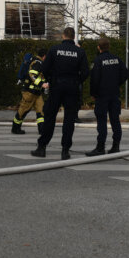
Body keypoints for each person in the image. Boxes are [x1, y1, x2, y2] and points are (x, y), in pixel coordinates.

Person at [31, 27, 88, 160]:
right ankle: (65, 151)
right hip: (72, 89)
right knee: (69, 120)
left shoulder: (54, 49)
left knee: (50, 117)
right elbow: (85, 72)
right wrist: (76, 81)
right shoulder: (80, 51)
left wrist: (52, 79)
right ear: (73, 37)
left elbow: (44, 69)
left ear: (63, 36)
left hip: (56, 87)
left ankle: (42, 148)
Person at [85, 37, 129, 156]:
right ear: (108, 47)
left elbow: (94, 80)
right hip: (114, 94)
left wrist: (93, 94)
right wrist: (116, 83)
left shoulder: (98, 61)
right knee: (115, 121)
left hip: (102, 96)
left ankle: (100, 148)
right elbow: (125, 73)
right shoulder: (117, 59)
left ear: (98, 47)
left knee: (102, 122)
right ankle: (116, 146)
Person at [12, 48, 47, 135]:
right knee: (23, 110)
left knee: (41, 110)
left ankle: (42, 130)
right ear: (44, 56)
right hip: (29, 92)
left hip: (37, 92)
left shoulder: (40, 63)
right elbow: (32, 74)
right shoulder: (37, 63)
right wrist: (41, 84)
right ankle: (15, 128)